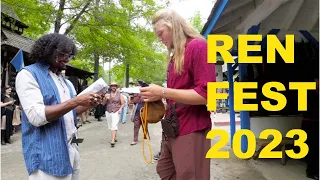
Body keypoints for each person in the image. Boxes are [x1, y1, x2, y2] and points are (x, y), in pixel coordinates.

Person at [139, 9, 215, 180]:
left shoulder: (198, 46)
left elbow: (206, 94)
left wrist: (163, 92)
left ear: (173, 26)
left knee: (190, 175)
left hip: (192, 126)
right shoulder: (176, 56)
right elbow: (177, 92)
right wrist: (155, 97)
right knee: (165, 169)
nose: (159, 39)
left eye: (161, 33)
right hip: (174, 126)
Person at [15, 33, 102, 180]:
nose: (67, 58)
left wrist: (88, 104)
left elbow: (71, 112)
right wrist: (76, 101)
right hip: (46, 154)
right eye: (62, 53)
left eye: (70, 55)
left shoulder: (66, 82)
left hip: (71, 148)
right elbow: (37, 117)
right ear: (47, 50)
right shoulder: (28, 75)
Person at [103, 82, 124, 147]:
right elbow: (103, 103)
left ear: (117, 87)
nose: (113, 87)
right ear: (110, 87)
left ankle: (112, 140)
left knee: (114, 125)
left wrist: (120, 109)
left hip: (116, 111)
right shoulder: (107, 94)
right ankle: (114, 137)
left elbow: (122, 103)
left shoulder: (120, 94)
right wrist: (106, 98)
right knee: (111, 125)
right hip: (108, 111)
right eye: (112, 86)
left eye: (115, 86)